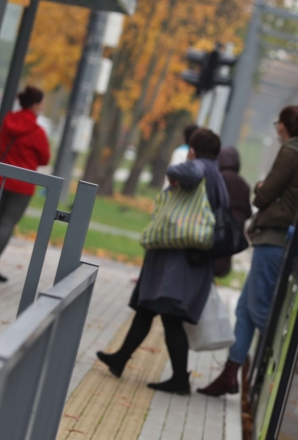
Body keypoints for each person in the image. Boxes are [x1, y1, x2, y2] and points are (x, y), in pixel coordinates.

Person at [97, 128, 230, 395]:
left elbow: (185, 173)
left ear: (193, 150)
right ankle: (120, 358)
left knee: (169, 317)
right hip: (185, 257)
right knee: (148, 309)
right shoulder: (217, 173)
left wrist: (176, 170)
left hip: (179, 258)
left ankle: (180, 379)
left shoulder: (200, 168)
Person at [199, 106, 298, 397]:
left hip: (273, 239)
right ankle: (230, 374)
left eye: (277, 124)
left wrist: (262, 185)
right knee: (244, 311)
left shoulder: (290, 153)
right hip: (274, 240)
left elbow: (263, 196)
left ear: (282, 127)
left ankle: (284, 362)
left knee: (259, 311)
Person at [0, 86, 50, 282]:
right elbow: (45, 159)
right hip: (23, 184)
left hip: (1, 179)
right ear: (35, 104)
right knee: (7, 224)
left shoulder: (8, 120)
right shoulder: (37, 132)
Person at [214, 146, 252, 279]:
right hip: (232, 238)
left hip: (215, 233)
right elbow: (248, 213)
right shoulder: (245, 186)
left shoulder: (217, 179)